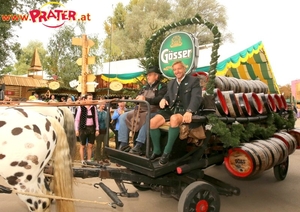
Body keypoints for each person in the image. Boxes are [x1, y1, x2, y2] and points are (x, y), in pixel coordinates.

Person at [149, 61, 203, 165]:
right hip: (172, 110)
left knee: (174, 119)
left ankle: (166, 152)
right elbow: (168, 95)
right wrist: (163, 99)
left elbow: (197, 98)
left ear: (184, 69)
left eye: (179, 69)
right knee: (152, 122)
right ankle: (157, 151)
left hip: (185, 110)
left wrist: (190, 111)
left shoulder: (193, 81)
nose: (177, 71)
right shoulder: (171, 83)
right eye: (174, 70)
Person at [118, 66, 167, 155]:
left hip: (154, 111)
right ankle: (123, 143)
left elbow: (160, 99)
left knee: (147, 119)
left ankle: (139, 146)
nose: (147, 77)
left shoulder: (162, 86)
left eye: (150, 75)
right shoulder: (145, 87)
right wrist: (137, 99)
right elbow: (139, 97)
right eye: (147, 75)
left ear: (156, 76)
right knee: (123, 117)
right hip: (141, 110)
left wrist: (145, 99)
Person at [74, 93, 99, 164]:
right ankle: (82, 160)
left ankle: (89, 160)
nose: (91, 100)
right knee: (82, 145)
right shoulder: (81, 107)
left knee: (90, 145)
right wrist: (76, 129)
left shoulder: (93, 108)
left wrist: (97, 129)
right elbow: (77, 119)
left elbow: (96, 119)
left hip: (92, 128)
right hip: (83, 128)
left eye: (92, 98)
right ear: (85, 99)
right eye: (89, 99)